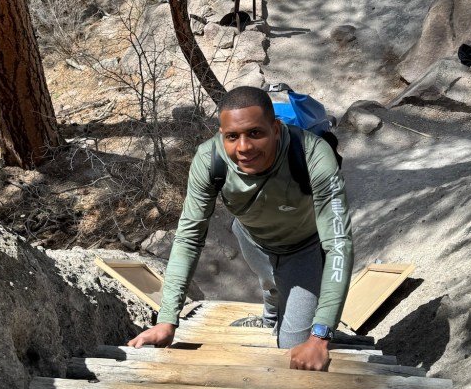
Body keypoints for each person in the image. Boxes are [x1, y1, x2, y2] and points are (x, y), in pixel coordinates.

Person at [127, 85, 354, 371]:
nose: (244, 147)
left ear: (275, 128)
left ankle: (296, 319)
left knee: (293, 350)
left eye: (255, 133)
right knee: (270, 282)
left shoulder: (312, 154)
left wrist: (321, 335)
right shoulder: (209, 159)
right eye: (232, 137)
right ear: (222, 134)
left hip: (303, 247)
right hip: (251, 237)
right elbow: (188, 237)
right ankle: (269, 317)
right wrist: (167, 320)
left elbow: (339, 244)